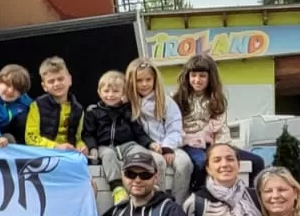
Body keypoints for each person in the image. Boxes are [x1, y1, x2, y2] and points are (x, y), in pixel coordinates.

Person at [173, 53, 261, 189]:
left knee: (257, 161)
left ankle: (251, 195)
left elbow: (221, 128)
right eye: (193, 75)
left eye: (202, 76)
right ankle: (198, 193)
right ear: (187, 77)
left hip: (213, 144)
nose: (197, 80)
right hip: (188, 144)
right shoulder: (178, 99)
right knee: (202, 163)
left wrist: (223, 150)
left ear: (210, 78)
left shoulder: (216, 99)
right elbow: (174, 127)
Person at [126, 57, 192, 199]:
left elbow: (175, 126)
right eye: (139, 80)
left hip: (168, 144)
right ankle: (158, 201)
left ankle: (177, 203)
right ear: (131, 81)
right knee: (158, 162)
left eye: (148, 79)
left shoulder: (166, 101)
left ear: (155, 79)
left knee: (185, 163)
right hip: (145, 147)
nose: (144, 84)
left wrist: (168, 147)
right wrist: (151, 145)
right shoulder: (128, 103)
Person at [84, 70, 148, 186]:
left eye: (116, 91)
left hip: (127, 146)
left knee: (139, 152)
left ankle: (139, 183)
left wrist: (150, 143)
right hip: (104, 147)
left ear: (123, 92)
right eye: (106, 91)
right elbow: (88, 133)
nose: (110, 95)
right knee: (108, 155)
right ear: (99, 92)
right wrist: (92, 148)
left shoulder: (128, 110)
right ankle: (117, 187)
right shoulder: (93, 112)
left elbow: (139, 132)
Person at [23, 56, 86, 152]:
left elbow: (78, 138)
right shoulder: (37, 106)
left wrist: (81, 147)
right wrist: (55, 146)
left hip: (68, 155)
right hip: (43, 153)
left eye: (60, 79)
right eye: (51, 81)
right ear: (44, 86)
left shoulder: (78, 109)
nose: (56, 84)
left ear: (70, 80)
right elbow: (30, 137)